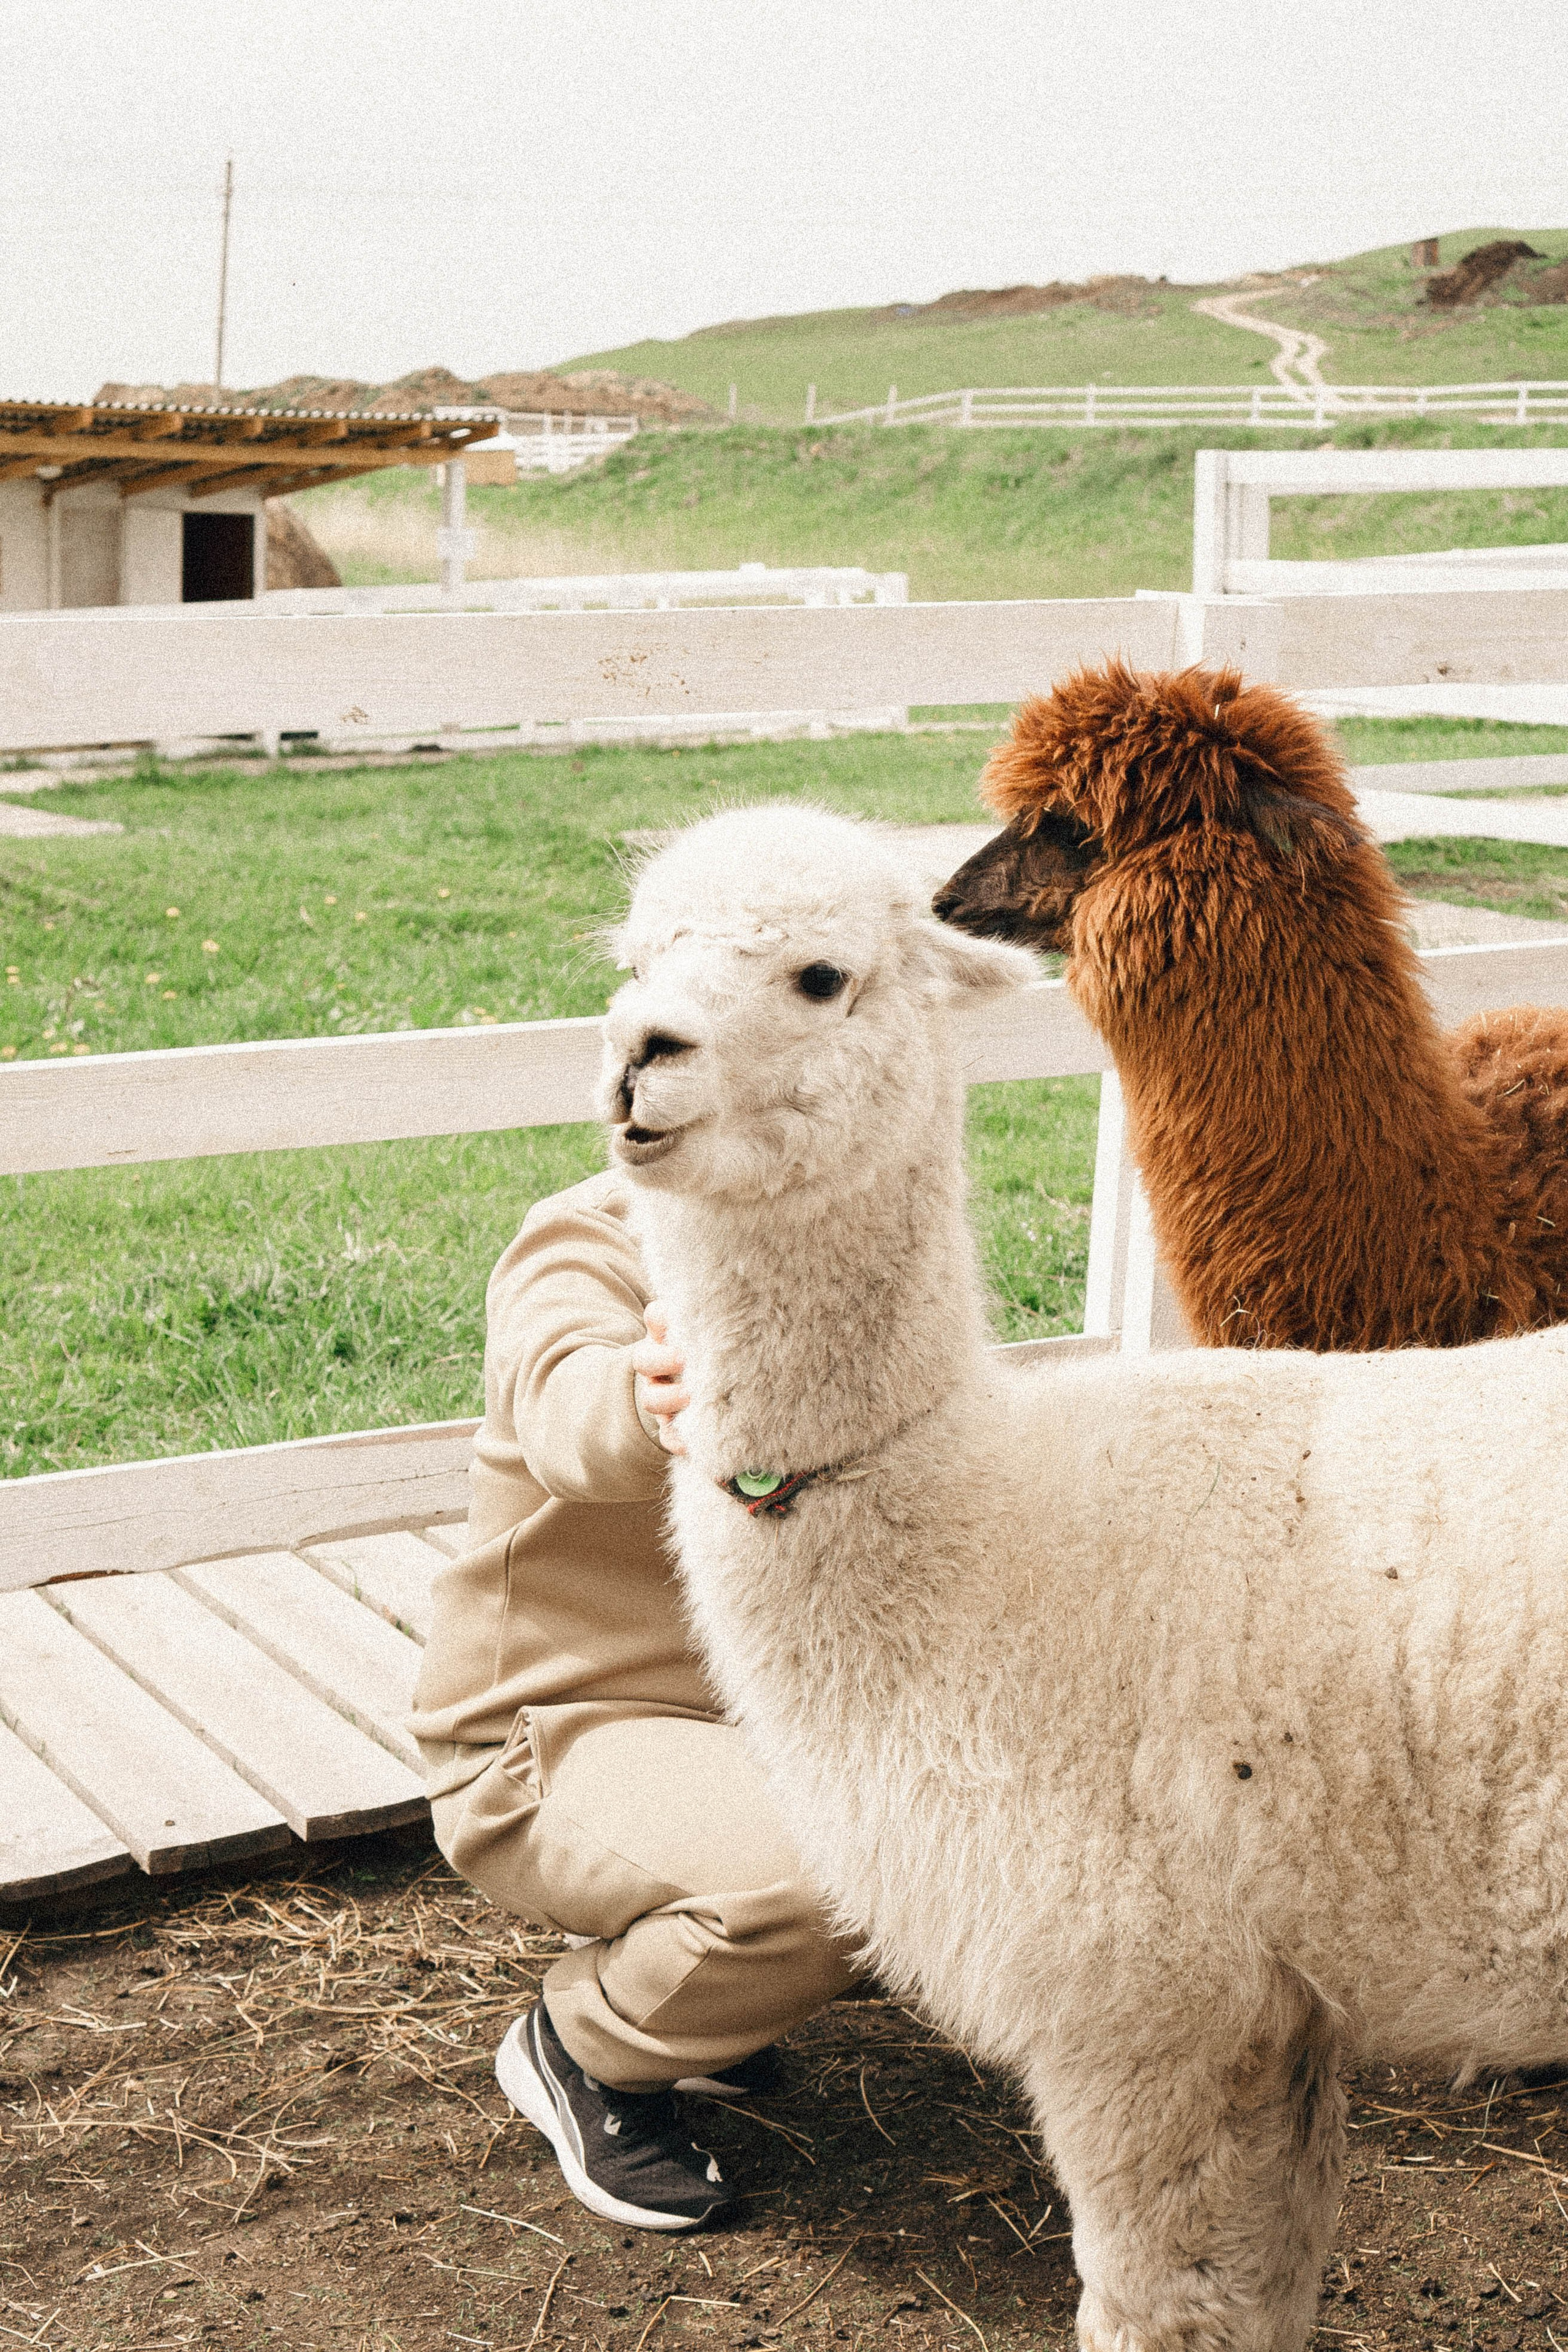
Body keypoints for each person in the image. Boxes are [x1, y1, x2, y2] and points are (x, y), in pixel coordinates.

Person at [410, 1169, 859, 2232]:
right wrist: (644, 1394)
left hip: (751, 1717)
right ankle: (587, 2043)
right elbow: (562, 1400)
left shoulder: (860, 1234)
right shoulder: (586, 1236)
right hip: (551, 1731)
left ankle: (715, 2006)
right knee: (833, 1869)